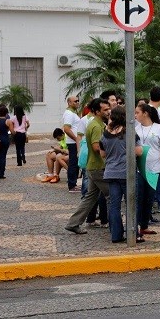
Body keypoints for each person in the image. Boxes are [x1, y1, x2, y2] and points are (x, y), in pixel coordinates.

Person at [64, 98, 111, 235]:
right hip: (97, 167)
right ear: (97, 111)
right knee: (112, 195)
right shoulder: (96, 126)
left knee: (90, 197)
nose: (108, 112)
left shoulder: (98, 124)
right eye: (105, 110)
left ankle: (73, 223)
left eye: (108, 109)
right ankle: (115, 225)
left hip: (93, 166)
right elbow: (96, 147)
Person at [100, 106, 143, 243]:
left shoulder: (105, 134)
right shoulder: (129, 132)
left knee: (114, 205)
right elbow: (139, 151)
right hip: (126, 172)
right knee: (131, 204)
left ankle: (116, 235)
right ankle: (133, 233)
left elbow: (102, 154)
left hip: (111, 172)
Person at [134, 103, 160, 237]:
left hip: (153, 168)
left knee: (149, 199)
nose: (135, 115)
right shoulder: (135, 128)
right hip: (138, 168)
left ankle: (144, 225)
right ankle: (136, 226)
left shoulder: (159, 128)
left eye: (137, 112)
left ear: (145, 113)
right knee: (138, 198)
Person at [62, 96, 81, 193]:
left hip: (75, 142)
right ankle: (72, 185)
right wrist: (76, 139)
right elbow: (66, 129)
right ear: (69, 103)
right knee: (73, 163)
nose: (77, 102)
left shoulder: (73, 113)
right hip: (73, 142)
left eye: (78, 101)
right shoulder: (69, 114)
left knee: (75, 163)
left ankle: (74, 184)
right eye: (75, 101)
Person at [0, 105, 14, 179]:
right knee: (3, 156)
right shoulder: (8, 121)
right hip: (5, 140)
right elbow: (12, 132)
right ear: (6, 113)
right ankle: (2, 174)